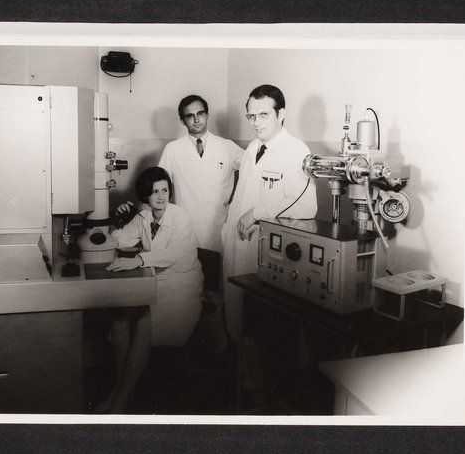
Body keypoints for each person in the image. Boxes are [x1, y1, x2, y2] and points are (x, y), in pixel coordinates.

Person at [97, 166, 203, 413]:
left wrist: (138, 260)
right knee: (119, 324)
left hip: (180, 286)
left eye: (165, 190)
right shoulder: (144, 217)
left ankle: (122, 399)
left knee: (144, 323)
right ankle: (119, 390)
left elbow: (171, 255)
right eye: (155, 191)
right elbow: (119, 241)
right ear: (145, 194)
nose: (161, 196)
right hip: (153, 283)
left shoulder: (180, 217)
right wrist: (117, 221)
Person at [221, 84, 318, 339]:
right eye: (251, 116)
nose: (256, 123)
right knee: (235, 316)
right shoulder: (252, 148)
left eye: (263, 115)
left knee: (261, 325)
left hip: (267, 250)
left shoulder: (297, 150)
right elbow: (242, 194)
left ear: (281, 114)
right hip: (238, 242)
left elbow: (307, 206)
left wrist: (257, 212)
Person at [158, 95, 244, 254]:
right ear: (182, 121)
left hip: (219, 227)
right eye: (190, 116)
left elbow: (253, 169)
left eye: (200, 113)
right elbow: (159, 187)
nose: (196, 119)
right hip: (185, 228)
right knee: (187, 267)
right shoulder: (172, 149)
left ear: (207, 115)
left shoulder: (227, 147)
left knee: (217, 266)